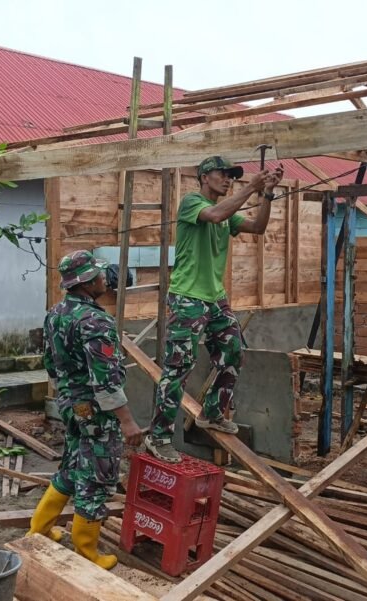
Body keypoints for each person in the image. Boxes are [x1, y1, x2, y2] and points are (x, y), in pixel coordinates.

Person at [145, 156, 283, 463]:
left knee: (233, 351)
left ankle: (212, 413)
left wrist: (267, 194)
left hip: (214, 297)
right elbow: (217, 214)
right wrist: (251, 187)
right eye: (224, 175)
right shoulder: (192, 203)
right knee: (179, 368)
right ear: (205, 176)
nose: (228, 180)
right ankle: (159, 436)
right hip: (187, 297)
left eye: (232, 177)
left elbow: (258, 227)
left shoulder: (227, 211)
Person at [27, 250, 143, 569]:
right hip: (96, 409)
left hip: (71, 404)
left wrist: (69, 394)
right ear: (87, 283)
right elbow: (104, 382)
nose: (105, 280)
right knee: (97, 474)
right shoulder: (95, 320)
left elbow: (50, 362)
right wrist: (129, 423)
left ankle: (39, 527)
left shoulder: (56, 313)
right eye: (100, 276)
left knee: (74, 462)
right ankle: (86, 549)